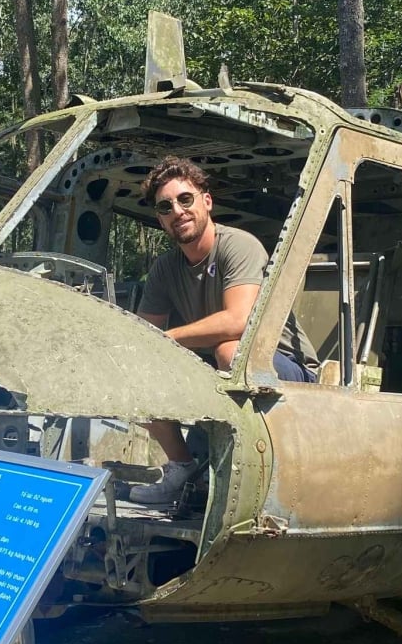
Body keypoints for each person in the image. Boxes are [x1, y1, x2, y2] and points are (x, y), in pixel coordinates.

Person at [129, 156, 317, 504]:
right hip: (218, 374)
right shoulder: (165, 268)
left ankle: (256, 474)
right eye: (166, 206)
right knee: (139, 368)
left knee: (229, 351)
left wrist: (168, 339)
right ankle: (183, 468)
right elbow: (143, 337)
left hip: (288, 376)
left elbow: (239, 321)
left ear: (206, 201)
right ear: (160, 218)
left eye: (185, 199)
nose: (178, 211)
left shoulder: (237, 246)